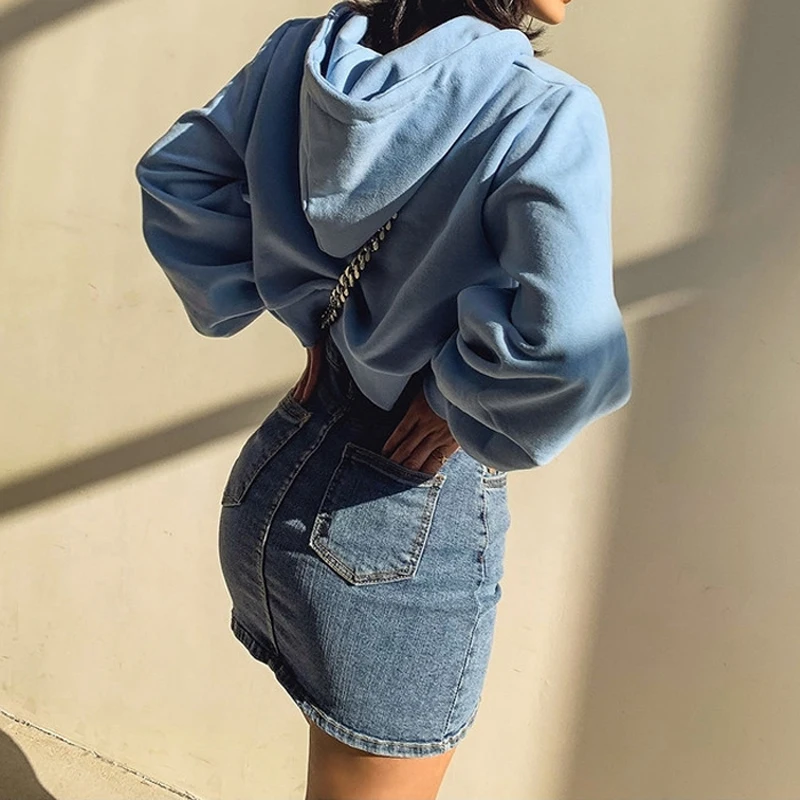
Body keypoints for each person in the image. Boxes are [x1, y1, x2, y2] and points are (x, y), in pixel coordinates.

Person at [135, 0, 631, 796]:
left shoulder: (305, 56)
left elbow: (179, 176)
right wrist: (457, 404)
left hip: (280, 473)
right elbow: (570, 355)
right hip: (398, 522)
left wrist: (310, 316)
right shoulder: (543, 112)